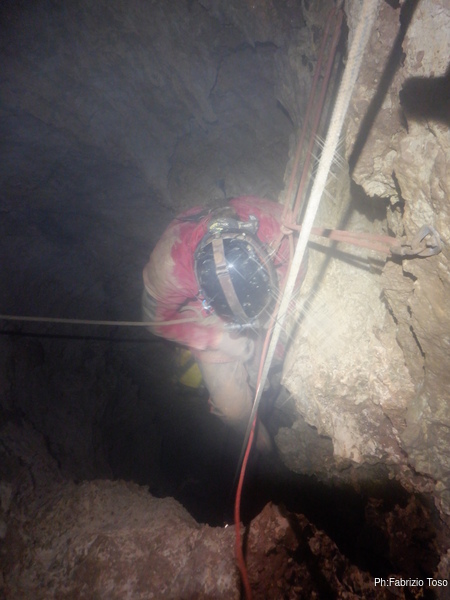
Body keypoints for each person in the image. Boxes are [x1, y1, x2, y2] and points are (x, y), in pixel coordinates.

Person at [142, 196, 307, 453]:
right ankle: (251, 433)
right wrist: (214, 338)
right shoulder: (171, 267)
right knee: (232, 408)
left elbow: (296, 269)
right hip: (205, 314)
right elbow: (155, 321)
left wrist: (272, 325)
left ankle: (264, 384)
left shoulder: (276, 231)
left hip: (262, 292)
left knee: (269, 360)